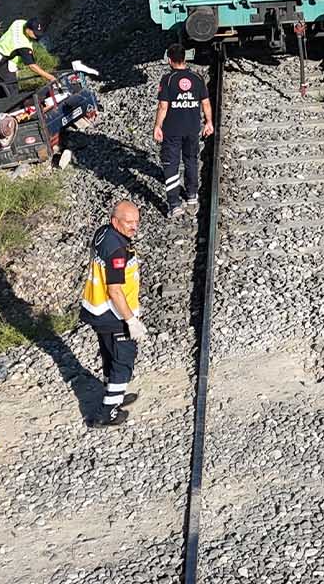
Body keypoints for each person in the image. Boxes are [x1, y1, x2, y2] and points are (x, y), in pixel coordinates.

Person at [82, 200, 147, 428]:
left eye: (136, 221)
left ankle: (114, 396)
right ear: (115, 221)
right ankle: (106, 413)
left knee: (110, 356)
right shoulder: (118, 249)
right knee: (123, 360)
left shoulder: (103, 233)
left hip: (97, 309)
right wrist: (131, 320)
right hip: (113, 314)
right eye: (128, 222)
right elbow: (115, 290)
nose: (134, 227)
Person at [153, 43, 214, 217]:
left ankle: (174, 204)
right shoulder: (197, 78)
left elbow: (163, 106)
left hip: (172, 130)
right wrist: (208, 122)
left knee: (171, 164)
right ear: (185, 58)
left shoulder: (168, 80)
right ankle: (192, 195)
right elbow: (206, 103)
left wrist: (157, 126)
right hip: (192, 129)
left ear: (170, 61)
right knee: (191, 160)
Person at [0, 17, 52, 89]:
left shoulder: (19, 22)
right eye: (35, 34)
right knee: (12, 88)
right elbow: (32, 66)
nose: (36, 37)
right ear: (28, 30)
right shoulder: (22, 45)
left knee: (4, 84)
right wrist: (50, 78)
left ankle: (1, 93)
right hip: (2, 61)